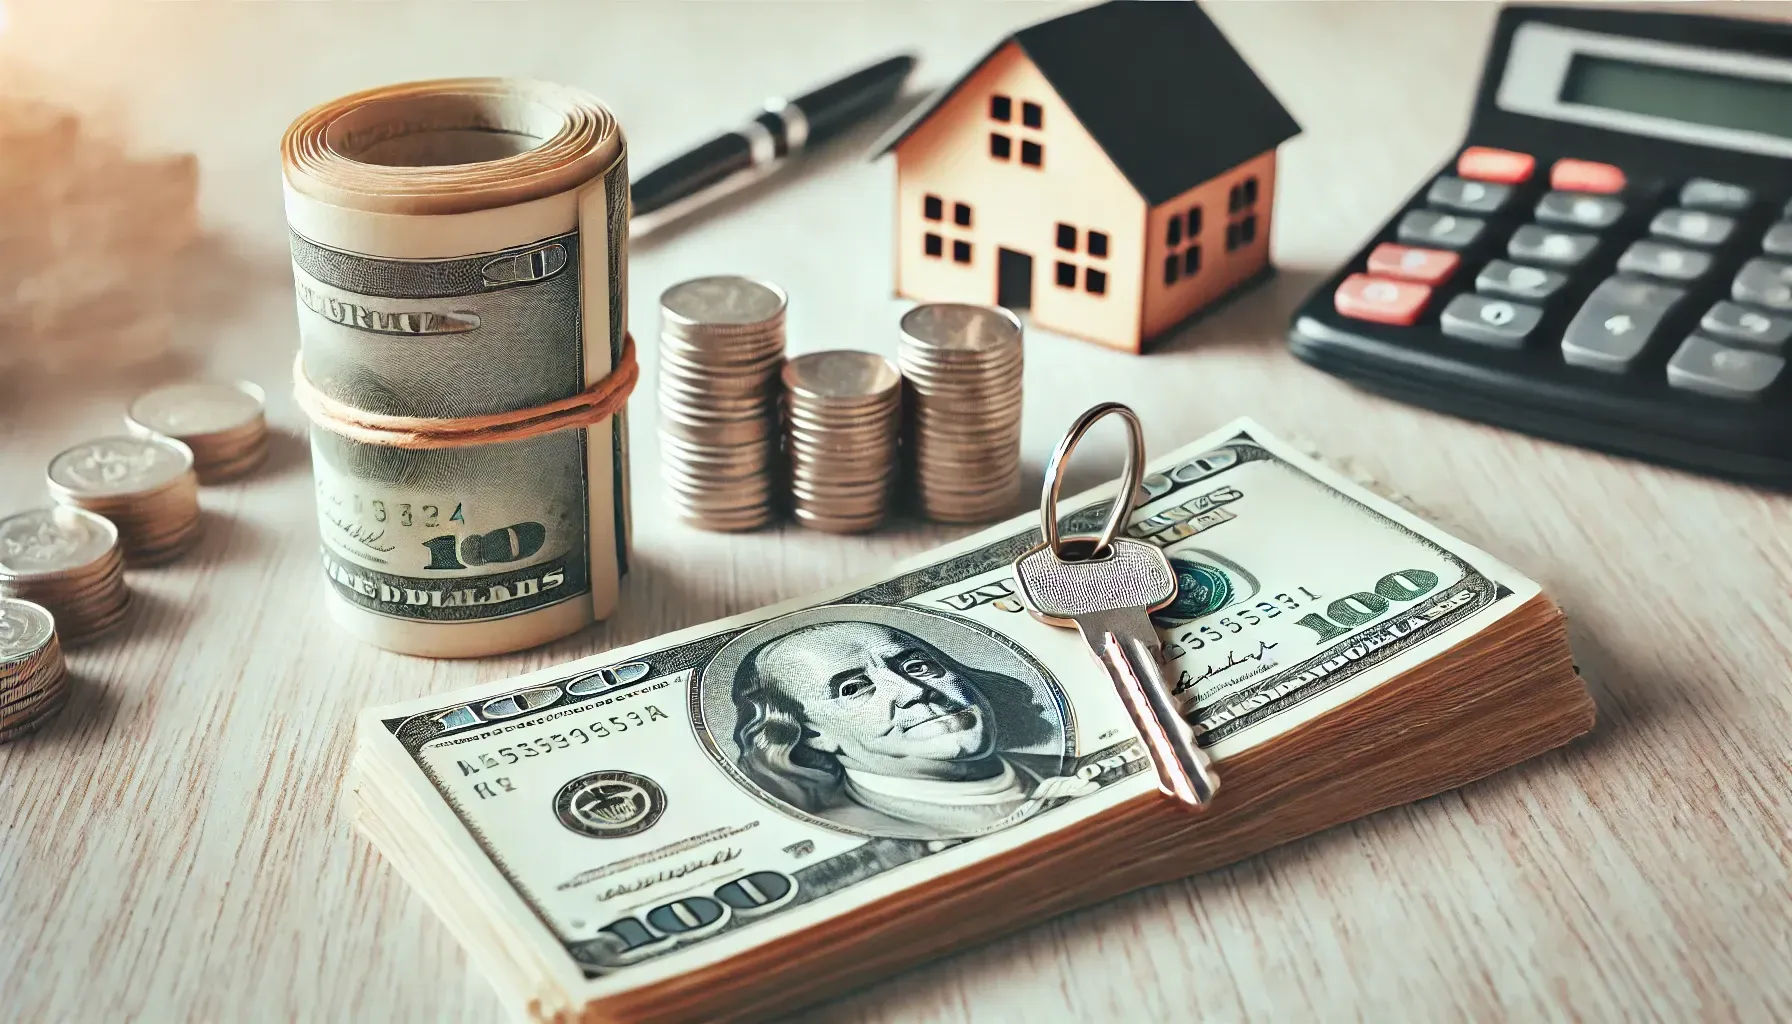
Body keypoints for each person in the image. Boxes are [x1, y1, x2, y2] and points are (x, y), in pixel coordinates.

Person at [730, 620, 1066, 837]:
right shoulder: (863, 831)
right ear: (814, 734)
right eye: (854, 688)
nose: (914, 690)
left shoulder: (1067, 766)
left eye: (916, 665)